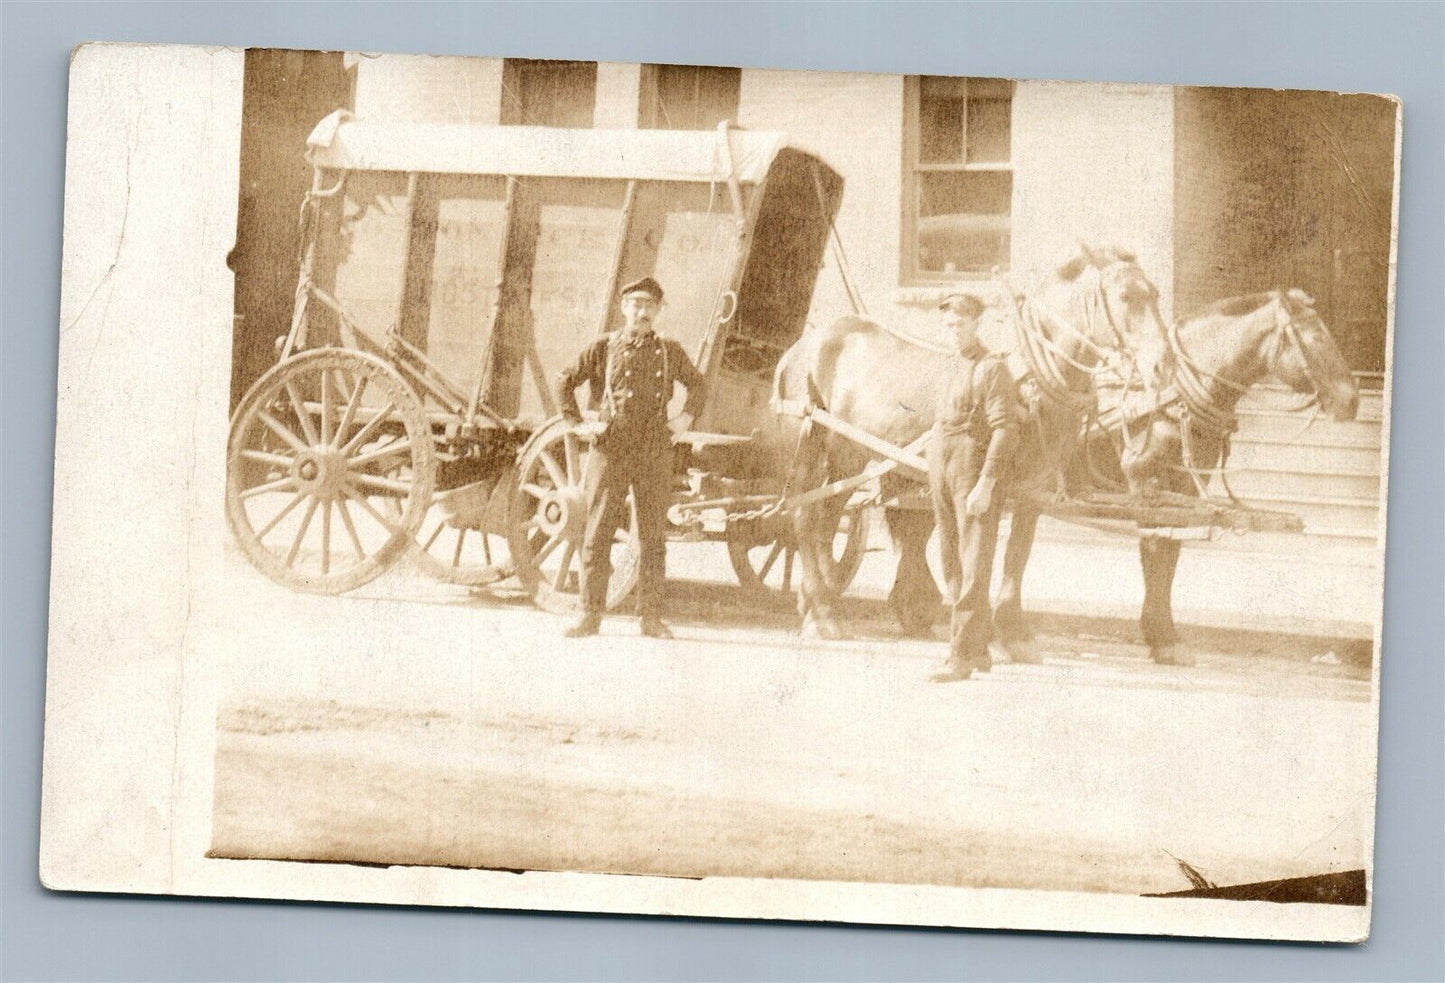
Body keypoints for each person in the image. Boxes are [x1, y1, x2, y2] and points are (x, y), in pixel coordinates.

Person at [556, 277, 706, 639]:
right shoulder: (604, 347)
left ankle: (650, 617)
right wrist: (576, 424)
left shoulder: (670, 351)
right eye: (636, 305)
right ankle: (589, 614)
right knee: (598, 530)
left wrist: (684, 419)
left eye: (649, 307)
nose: (642, 313)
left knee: (653, 536)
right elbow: (565, 380)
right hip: (611, 446)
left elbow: (698, 385)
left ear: (658, 312)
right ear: (624, 308)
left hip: (654, 448)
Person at [928, 294, 1020, 681]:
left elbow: (1006, 430)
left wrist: (985, 483)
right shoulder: (948, 364)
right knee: (950, 554)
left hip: (972, 464)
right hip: (941, 458)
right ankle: (979, 648)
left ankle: (960, 656)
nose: (954, 332)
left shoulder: (992, 368)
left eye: (960, 325)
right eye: (949, 325)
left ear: (976, 324)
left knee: (973, 563)